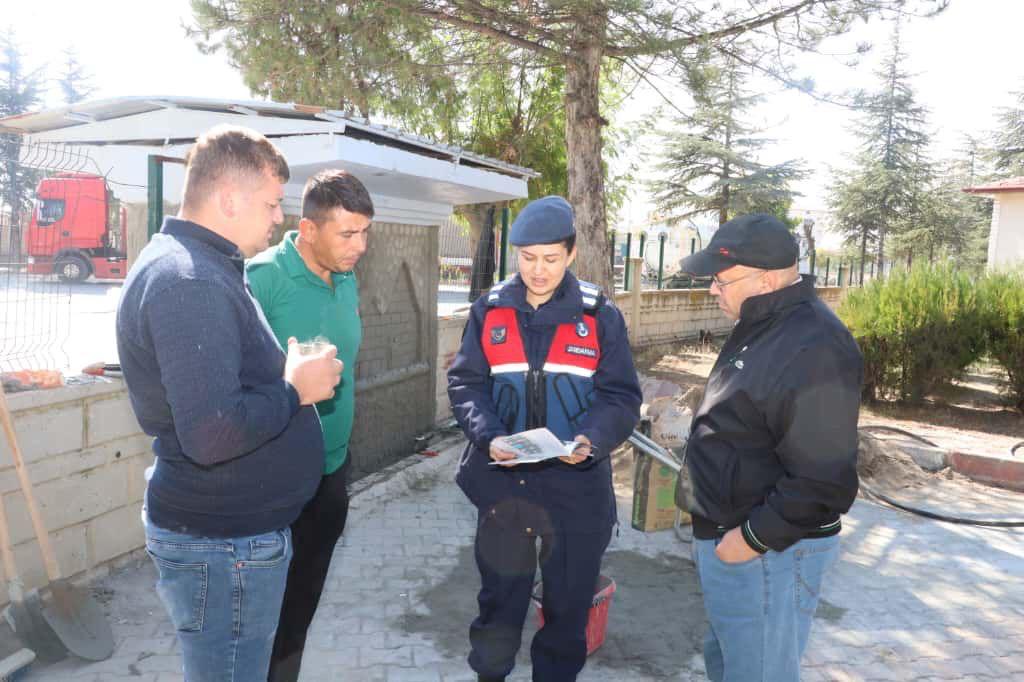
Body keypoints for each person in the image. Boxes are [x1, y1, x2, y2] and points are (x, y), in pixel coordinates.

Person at [116, 125, 342, 681]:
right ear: (229, 199)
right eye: (270, 204)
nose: (277, 218)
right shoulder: (188, 280)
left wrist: (280, 374)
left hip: (227, 541)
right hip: (226, 548)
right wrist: (295, 390)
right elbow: (213, 433)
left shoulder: (200, 264)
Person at [447, 196, 642, 682]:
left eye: (551, 259)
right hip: (505, 489)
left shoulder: (600, 316)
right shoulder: (489, 310)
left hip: (575, 492)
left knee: (566, 614)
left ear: (572, 254)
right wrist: (489, 437)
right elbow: (466, 383)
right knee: (498, 606)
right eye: (528, 258)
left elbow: (620, 397)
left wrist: (590, 440)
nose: (538, 270)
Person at [678, 213, 863, 682]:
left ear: (765, 278)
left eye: (721, 280)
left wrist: (749, 542)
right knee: (732, 664)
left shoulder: (815, 345)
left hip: (768, 552)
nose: (712, 290)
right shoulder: (764, 322)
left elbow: (822, 478)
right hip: (733, 540)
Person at [245, 169, 374, 682]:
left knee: (301, 602)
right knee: (258, 611)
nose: (359, 246)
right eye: (347, 233)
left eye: (366, 232)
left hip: (331, 473)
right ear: (308, 228)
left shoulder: (346, 277)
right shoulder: (261, 279)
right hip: (271, 480)